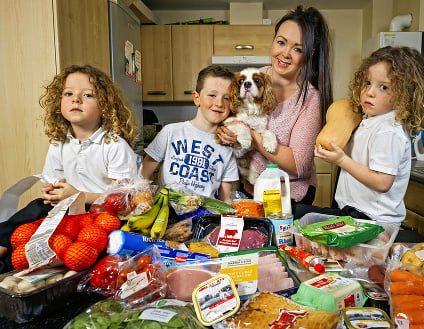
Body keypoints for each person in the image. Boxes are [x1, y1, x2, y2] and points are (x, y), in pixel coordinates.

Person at [0, 64, 139, 272]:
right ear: (59, 103)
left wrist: (79, 195)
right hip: (66, 211)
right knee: (36, 209)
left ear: (106, 106)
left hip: (98, 215)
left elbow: (122, 200)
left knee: (89, 245)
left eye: (88, 95)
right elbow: (54, 181)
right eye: (68, 93)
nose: (76, 99)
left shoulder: (115, 145)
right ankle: (4, 256)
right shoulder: (59, 143)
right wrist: (51, 191)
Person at [298, 46, 424, 224]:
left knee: (297, 215)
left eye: (383, 87)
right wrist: (334, 153)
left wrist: (342, 161)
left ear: (405, 94)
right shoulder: (368, 121)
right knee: (297, 216)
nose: (370, 92)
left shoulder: (389, 130)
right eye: (367, 83)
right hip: (355, 213)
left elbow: (382, 182)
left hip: (373, 220)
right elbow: (357, 160)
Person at [217, 6, 333, 206]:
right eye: (281, 42)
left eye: (297, 48)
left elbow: (297, 164)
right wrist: (223, 132)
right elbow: (228, 118)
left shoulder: (310, 99)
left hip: (290, 195)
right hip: (249, 189)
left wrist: (252, 136)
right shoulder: (252, 78)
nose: (285, 54)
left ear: (309, 54)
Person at [140, 64, 239, 203]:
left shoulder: (227, 149)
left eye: (227, 98)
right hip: (166, 217)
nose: (219, 103)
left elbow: (225, 198)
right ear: (196, 98)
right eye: (212, 95)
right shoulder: (171, 132)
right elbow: (141, 177)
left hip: (204, 220)